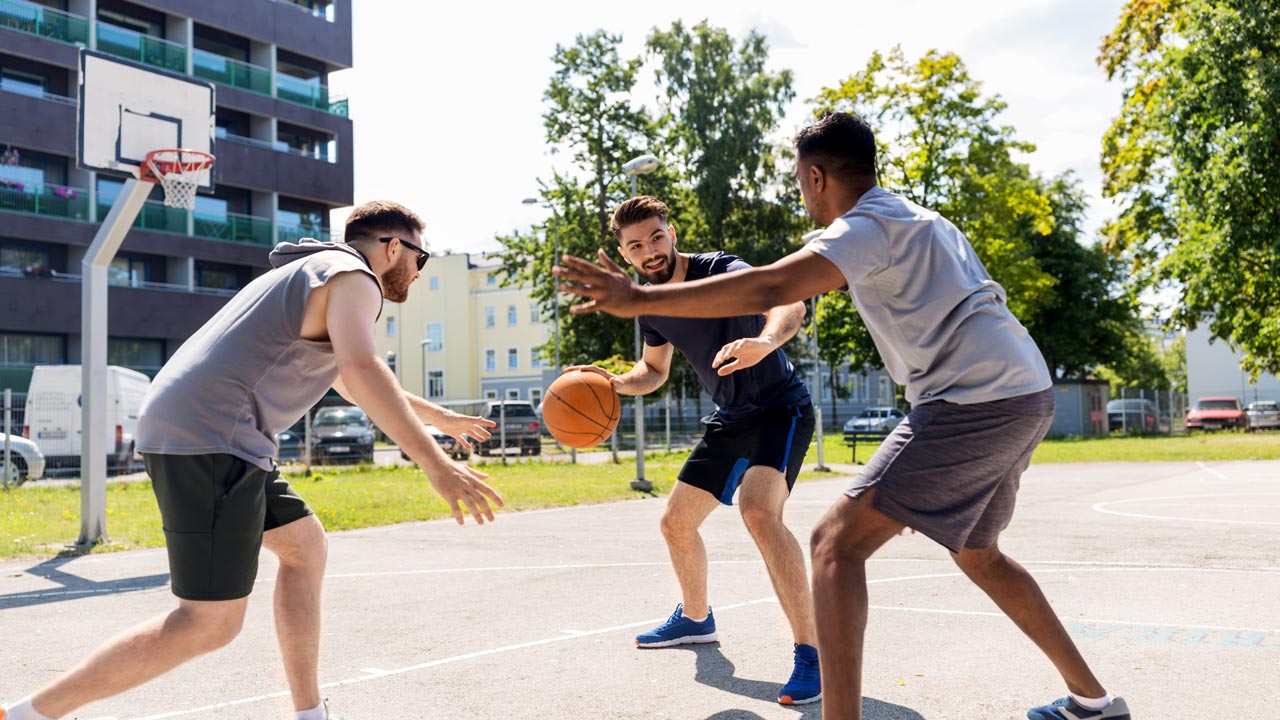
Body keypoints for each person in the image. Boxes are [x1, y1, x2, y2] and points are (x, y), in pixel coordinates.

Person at [552, 113, 1130, 720]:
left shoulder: (863, 228)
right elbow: (658, 367)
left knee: (833, 544)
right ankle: (1093, 701)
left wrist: (641, 300)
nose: (800, 192)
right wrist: (622, 364)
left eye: (800, 180)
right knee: (978, 553)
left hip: (970, 399)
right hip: (1021, 389)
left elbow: (771, 290)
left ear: (817, 175)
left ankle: (823, 683)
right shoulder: (915, 216)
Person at [2, 200, 503, 720]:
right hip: (214, 433)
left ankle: (309, 713)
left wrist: (438, 418)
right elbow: (361, 367)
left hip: (210, 428)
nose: (419, 273)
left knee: (305, 548)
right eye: (421, 260)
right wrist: (435, 463)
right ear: (394, 247)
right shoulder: (356, 276)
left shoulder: (312, 271)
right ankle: (26, 715)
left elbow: (345, 381)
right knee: (209, 622)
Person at [565, 195, 821, 705]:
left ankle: (812, 652)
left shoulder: (721, 271)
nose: (650, 251)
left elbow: (787, 301)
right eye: (636, 246)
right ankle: (697, 619)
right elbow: (654, 371)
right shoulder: (650, 306)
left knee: (758, 512)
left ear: (673, 232)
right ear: (625, 252)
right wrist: (614, 383)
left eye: (656, 237)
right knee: (675, 522)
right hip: (731, 417)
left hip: (779, 407)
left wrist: (766, 341)